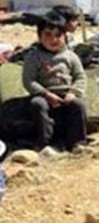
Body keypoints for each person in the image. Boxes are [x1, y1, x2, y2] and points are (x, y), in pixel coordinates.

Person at [22, 13, 88, 151]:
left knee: (79, 105)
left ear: (65, 36)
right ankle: (45, 143)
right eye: (48, 35)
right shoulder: (33, 57)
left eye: (58, 35)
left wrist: (73, 92)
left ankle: (77, 142)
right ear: (39, 37)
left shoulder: (71, 56)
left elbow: (80, 76)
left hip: (67, 93)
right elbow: (29, 80)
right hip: (44, 94)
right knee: (37, 104)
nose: (54, 39)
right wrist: (45, 94)